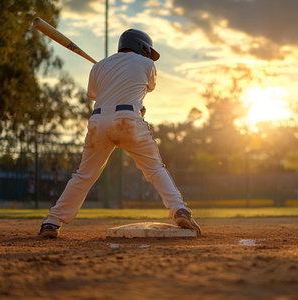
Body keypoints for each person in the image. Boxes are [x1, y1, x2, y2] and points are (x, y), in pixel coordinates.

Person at [38, 29, 201, 238]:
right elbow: (145, 88)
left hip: (98, 122)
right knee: (154, 168)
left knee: (83, 176)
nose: (150, 57)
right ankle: (179, 209)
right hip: (128, 120)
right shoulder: (147, 65)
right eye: (148, 52)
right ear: (142, 47)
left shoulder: (98, 67)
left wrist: (108, 73)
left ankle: (51, 223)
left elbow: (94, 94)